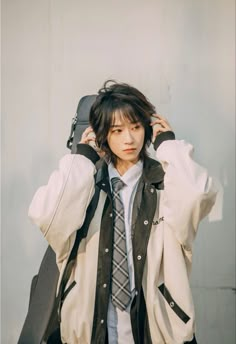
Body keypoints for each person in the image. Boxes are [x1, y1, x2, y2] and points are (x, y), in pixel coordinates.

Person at [28, 80, 217, 344]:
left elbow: (198, 193)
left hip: (155, 329)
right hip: (92, 328)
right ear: (102, 134)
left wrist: (168, 146)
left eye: (136, 127)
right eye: (117, 130)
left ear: (147, 128)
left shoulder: (164, 183)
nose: (129, 139)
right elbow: (47, 214)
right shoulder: (85, 186)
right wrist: (83, 158)